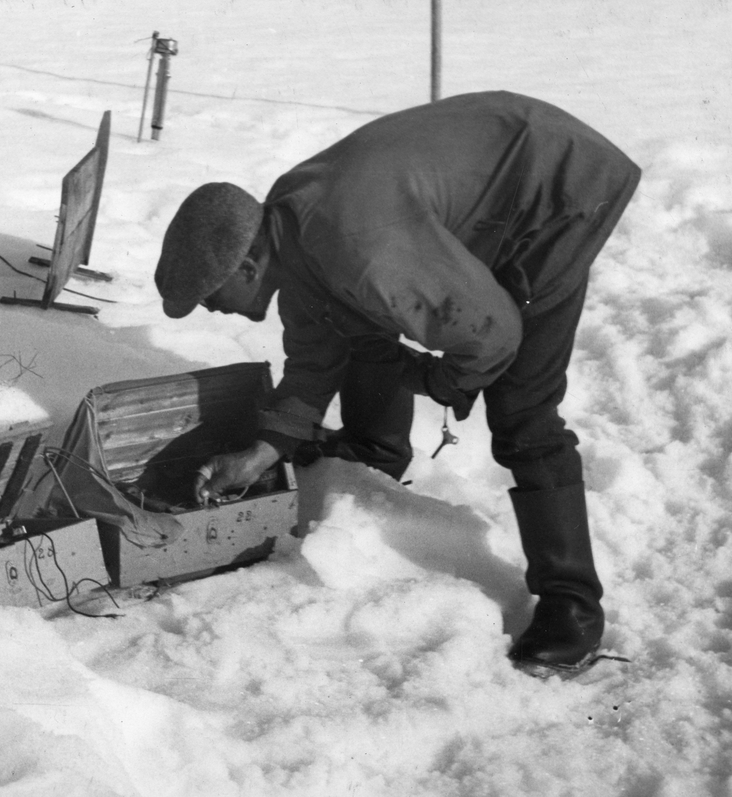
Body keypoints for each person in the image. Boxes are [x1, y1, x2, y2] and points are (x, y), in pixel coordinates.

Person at [154, 91, 640, 674]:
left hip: (557, 188)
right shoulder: (293, 236)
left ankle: (573, 609)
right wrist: (261, 453)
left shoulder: (362, 247)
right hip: (501, 174)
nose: (211, 310)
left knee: (522, 411)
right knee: (353, 326)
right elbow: (313, 360)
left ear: (248, 267)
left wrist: (445, 381)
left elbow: (494, 336)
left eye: (209, 296)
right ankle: (373, 454)